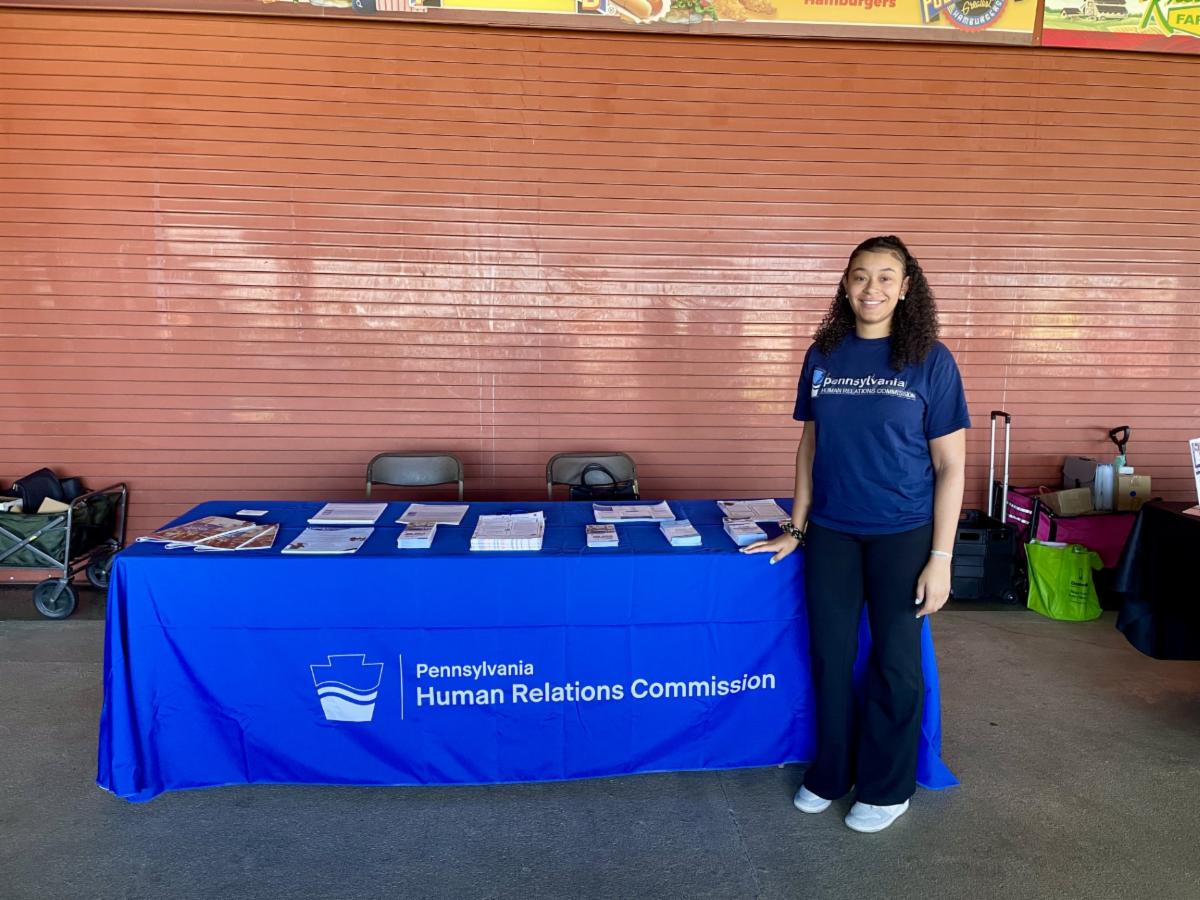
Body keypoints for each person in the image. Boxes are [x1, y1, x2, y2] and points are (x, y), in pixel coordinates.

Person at [742, 235, 969, 834]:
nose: (873, 288)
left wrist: (941, 556)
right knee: (830, 655)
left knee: (895, 662)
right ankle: (832, 771)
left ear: (906, 287)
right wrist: (796, 527)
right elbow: (810, 444)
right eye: (861, 275)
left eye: (886, 276)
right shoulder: (824, 354)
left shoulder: (931, 360)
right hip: (833, 533)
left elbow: (951, 466)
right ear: (845, 284)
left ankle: (887, 786)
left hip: (904, 534)